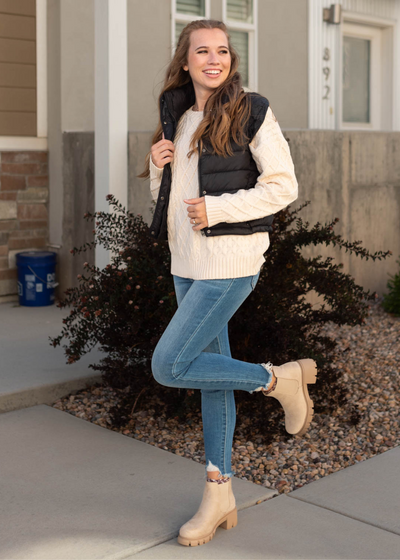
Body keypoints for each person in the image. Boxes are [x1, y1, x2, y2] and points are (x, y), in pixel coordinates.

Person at [140, 19, 317, 548]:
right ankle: (219, 494)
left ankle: (277, 380)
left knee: (169, 365)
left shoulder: (252, 110)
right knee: (210, 379)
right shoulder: (177, 113)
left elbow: (283, 187)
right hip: (186, 263)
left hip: (231, 261)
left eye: (222, 50)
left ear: (230, 60)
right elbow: (174, 196)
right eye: (202, 51)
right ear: (186, 59)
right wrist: (155, 165)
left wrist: (217, 210)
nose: (213, 59)